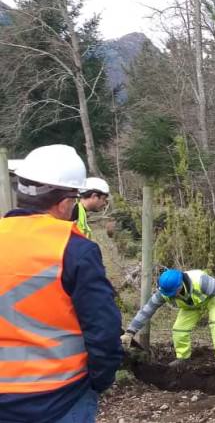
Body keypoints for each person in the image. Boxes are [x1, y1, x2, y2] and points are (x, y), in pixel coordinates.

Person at [0, 144, 123, 422]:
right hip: (60, 398)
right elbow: (103, 328)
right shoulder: (74, 249)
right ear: (65, 203)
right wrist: (101, 379)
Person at [122, 269, 215, 370]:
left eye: (173, 293)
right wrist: (130, 332)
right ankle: (183, 358)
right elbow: (146, 311)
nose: (172, 296)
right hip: (190, 307)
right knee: (179, 329)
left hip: (212, 300)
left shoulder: (201, 281)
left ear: (180, 285)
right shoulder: (163, 292)